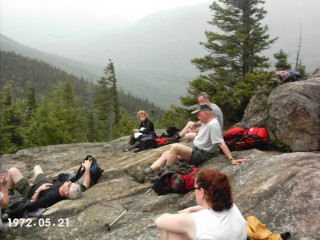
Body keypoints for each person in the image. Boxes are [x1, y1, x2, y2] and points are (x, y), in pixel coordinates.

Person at [129, 104, 245, 183]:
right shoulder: (206, 121)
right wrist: (194, 129)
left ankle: (164, 175)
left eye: (199, 114)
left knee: (174, 147)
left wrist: (231, 159)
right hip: (195, 148)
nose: (197, 116)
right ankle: (144, 173)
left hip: (201, 153)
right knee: (166, 154)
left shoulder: (213, 124)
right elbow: (203, 132)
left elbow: (220, 142)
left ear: (206, 113)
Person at [155, 168, 247, 240]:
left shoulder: (196, 221)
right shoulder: (232, 207)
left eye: (194, 188)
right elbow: (212, 207)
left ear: (201, 192)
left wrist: (184, 215)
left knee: (171, 230)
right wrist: (192, 209)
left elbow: (159, 220)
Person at [5, 159, 92, 211]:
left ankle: (10, 193)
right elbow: (85, 186)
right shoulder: (73, 191)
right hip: (43, 183)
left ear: (65, 191)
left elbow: (30, 205)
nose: (69, 182)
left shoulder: (50, 197)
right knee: (37, 167)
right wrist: (87, 168)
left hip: (30, 191)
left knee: (12, 171)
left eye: (69, 184)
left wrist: (38, 190)